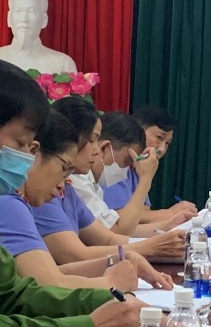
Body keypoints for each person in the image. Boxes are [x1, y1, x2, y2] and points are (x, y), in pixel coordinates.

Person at [0, 59, 145, 327]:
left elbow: (15, 296)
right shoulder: (9, 202)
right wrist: (93, 321)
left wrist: (108, 299)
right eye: (20, 144)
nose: (25, 160)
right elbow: (52, 277)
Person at [0, 109, 172, 291]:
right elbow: (51, 282)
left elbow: (52, 273)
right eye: (91, 140)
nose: (96, 150)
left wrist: (123, 258)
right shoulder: (11, 202)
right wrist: (111, 283)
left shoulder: (60, 190)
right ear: (33, 153)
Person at [32, 96, 186, 265]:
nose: (97, 150)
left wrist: (160, 239)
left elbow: (108, 239)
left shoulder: (67, 188)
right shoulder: (45, 191)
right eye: (92, 140)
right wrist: (151, 247)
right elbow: (76, 255)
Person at [71, 111, 194, 236]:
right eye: (92, 140)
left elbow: (120, 229)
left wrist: (168, 225)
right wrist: (146, 179)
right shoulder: (77, 180)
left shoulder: (94, 183)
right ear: (104, 148)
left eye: (167, 143)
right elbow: (118, 230)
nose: (161, 149)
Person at [102, 105, 197, 223]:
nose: (162, 149)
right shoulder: (115, 165)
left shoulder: (139, 168)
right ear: (138, 132)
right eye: (159, 138)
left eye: (167, 143)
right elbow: (118, 218)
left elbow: (144, 213)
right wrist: (170, 214)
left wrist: (171, 220)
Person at [0, 0, 77, 73]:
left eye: (31, 12)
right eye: (18, 11)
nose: (24, 19)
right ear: (9, 18)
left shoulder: (62, 64)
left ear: (44, 20)